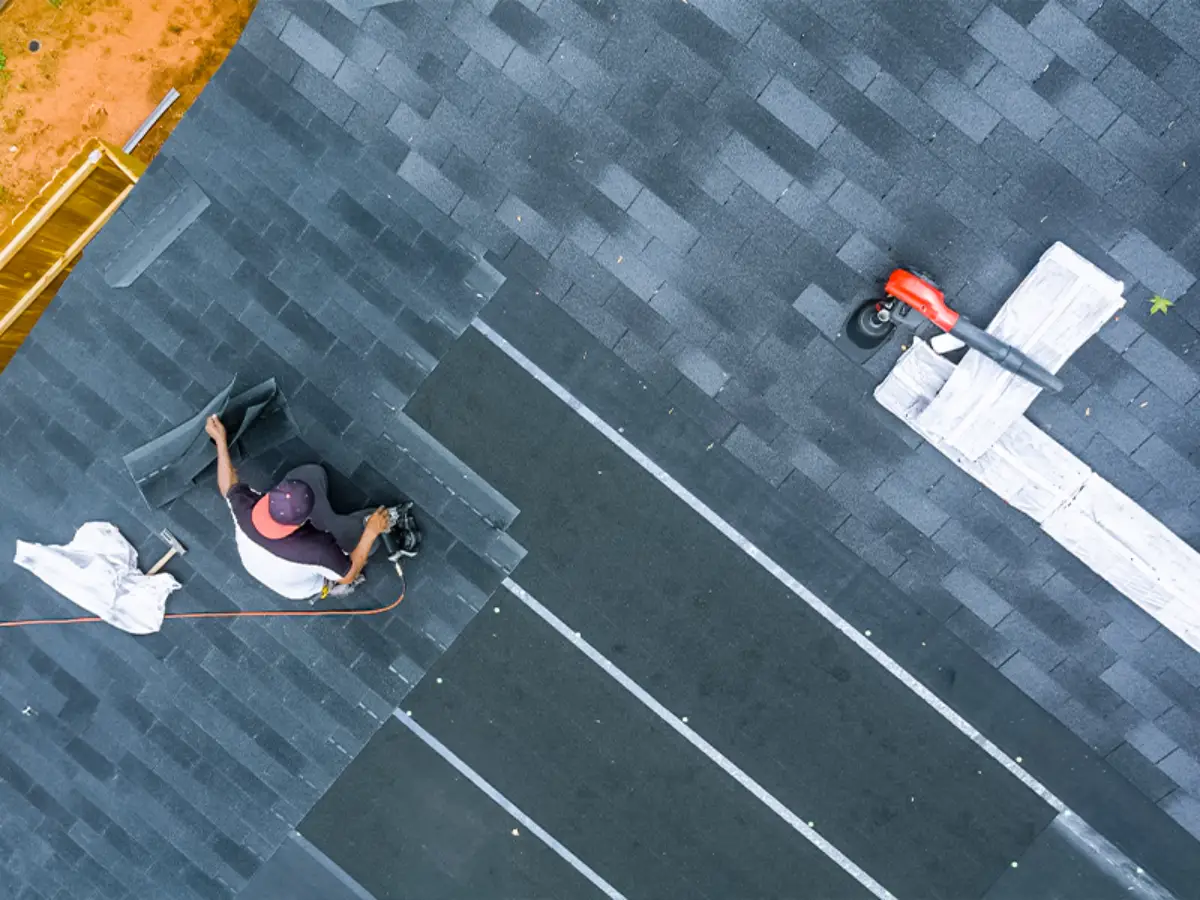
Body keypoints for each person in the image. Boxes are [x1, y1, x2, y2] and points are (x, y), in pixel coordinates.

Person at [204, 414, 418, 600]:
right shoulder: (316, 549)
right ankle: (329, 587)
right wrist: (371, 533)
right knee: (369, 533)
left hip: (258, 565)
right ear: (301, 523)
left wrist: (221, 442)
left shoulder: (245, 510)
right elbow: (348, 574)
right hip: (303, 585)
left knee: (310, 475)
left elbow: (227, 486)